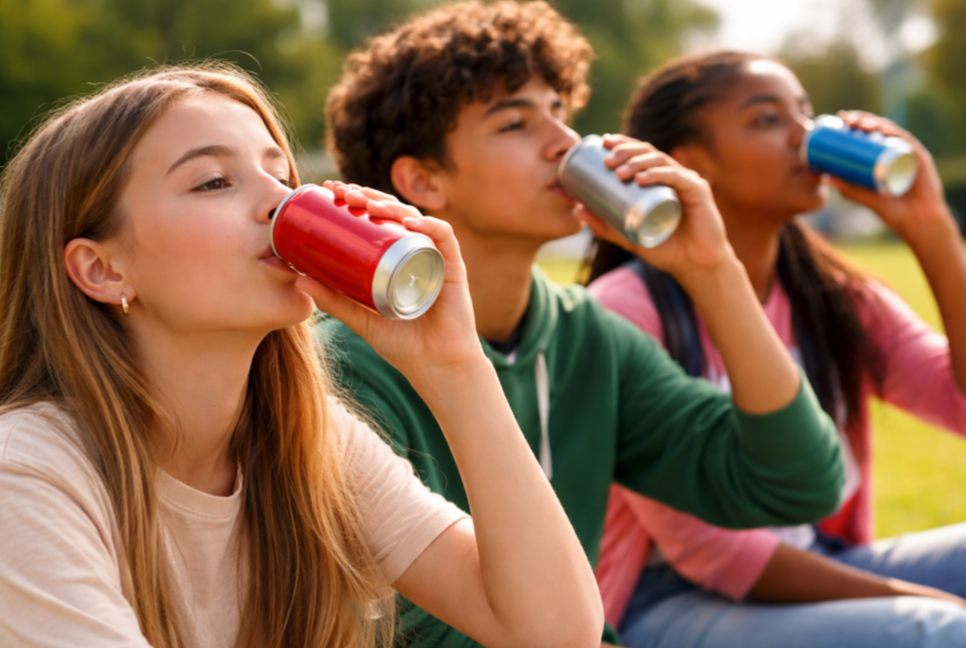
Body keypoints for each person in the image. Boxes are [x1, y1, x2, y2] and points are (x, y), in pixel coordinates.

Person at [0, 63, 607, 648]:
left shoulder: (313, 441)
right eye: (214, 181)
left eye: (281, 174)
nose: (283, 202)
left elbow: (550, 630)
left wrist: (456, 366)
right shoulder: (26, 471)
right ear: (102, 269)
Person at [320, 3, 846, 647]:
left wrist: (712, 269)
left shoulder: (588, 336)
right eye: (515, 123)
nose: (565, 143)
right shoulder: (345, 365)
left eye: (561, 112)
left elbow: (797, 483)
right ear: (422, 180)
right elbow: (424, 629)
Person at [585, 50, 966, 647]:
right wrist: (921, 600)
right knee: (937, 632)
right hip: (661, 603)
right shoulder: (627, 311)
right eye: (768, 120)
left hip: (815, 562)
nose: (805, 137)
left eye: (805, 113)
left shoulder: (830, 298)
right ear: (689, 165)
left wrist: (931, 227)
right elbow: (712, 551)